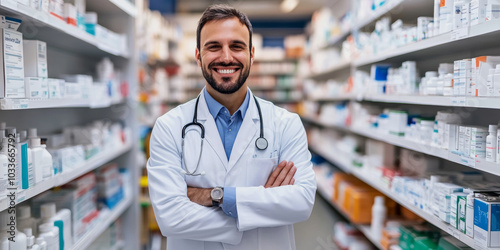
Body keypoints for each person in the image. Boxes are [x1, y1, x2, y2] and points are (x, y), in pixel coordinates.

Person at [147, 4, 317, 250]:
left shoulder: (285, 124)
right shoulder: (168, 127)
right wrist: (260, 210)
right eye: (213, 46)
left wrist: (215, 196)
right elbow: (171, 218)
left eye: (236, 46)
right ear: (198, 56)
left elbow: (301, 202)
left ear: (251, 54)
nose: (226, 57)